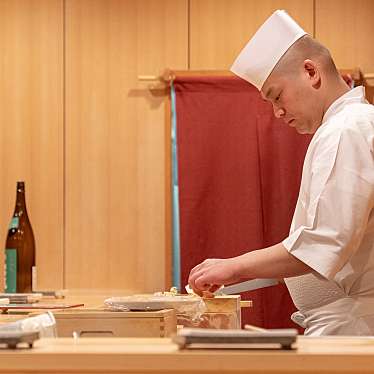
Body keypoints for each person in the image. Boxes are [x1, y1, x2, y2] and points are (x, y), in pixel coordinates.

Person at [188, 10, 374, 335]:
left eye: (277, 96)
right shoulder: (346, 126)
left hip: (353, 323)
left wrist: (234, 267)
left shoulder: (347, 128)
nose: (277, 112)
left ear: (311, 71)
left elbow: (323, 243)